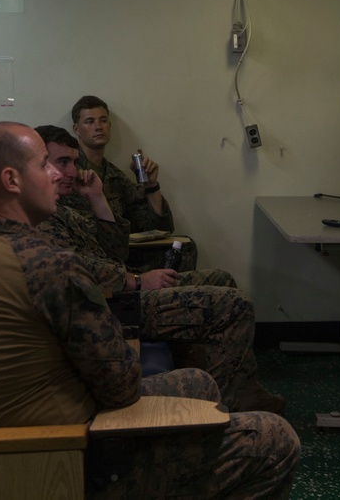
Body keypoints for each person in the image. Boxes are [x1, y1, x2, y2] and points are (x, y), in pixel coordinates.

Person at [0, 121, 300, 499]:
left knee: (199, 384)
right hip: (72, 457)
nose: (57, 175)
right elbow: (121, 386)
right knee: (274, 439)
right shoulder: (48, 266)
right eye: (45, 165)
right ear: (12, 181)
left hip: (25, 437)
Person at [33, 124, 284, 414]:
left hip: (118, 293)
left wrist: (97, 199)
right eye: (62, 162)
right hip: (108, 307)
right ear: (37, 165)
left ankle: (228, 380)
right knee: (235, 305)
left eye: (74, 163)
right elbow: (76, 270)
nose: (72, 172)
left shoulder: (61, 206)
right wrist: (138, 280)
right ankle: (230, 404)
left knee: (222, 279)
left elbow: (115, 253)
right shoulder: (40, 214)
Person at [69, 95, 199, 271]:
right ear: (76, 129)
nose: (98, 127)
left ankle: (164, 288)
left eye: (103, 120)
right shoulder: (71, 172)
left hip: (121, 254)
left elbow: (160, 228)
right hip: (91, 258)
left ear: (109, 126)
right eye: (89, 122)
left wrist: (151, 186)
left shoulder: (115, 176)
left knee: (184, 248)